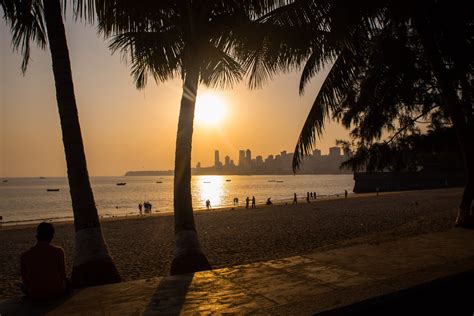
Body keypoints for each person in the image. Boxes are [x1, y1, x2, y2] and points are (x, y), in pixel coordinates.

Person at [21, 222, 69, 300]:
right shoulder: (58, 251)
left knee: (22, 286)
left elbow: (25, 278)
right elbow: (63, 274)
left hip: (35, 293)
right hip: (56, 291)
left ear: (38, 235)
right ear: (51, 236)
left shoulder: (25, 255)